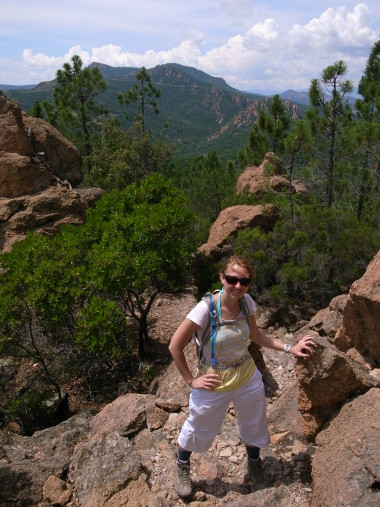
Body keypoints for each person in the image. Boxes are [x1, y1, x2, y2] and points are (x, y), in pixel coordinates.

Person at [169, 255, 316, 498]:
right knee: (200, 424)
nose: (238, 286)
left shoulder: (247, 303)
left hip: (246, 375)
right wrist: (191, 380)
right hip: (214, 378)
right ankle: (182, 464)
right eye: (232, 279)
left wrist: (291, 347)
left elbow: (257, 336)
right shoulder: (205, 308)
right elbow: (175, 345)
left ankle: (254, 463)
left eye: (244, 281)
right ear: (222, 277)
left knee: (254, 421)